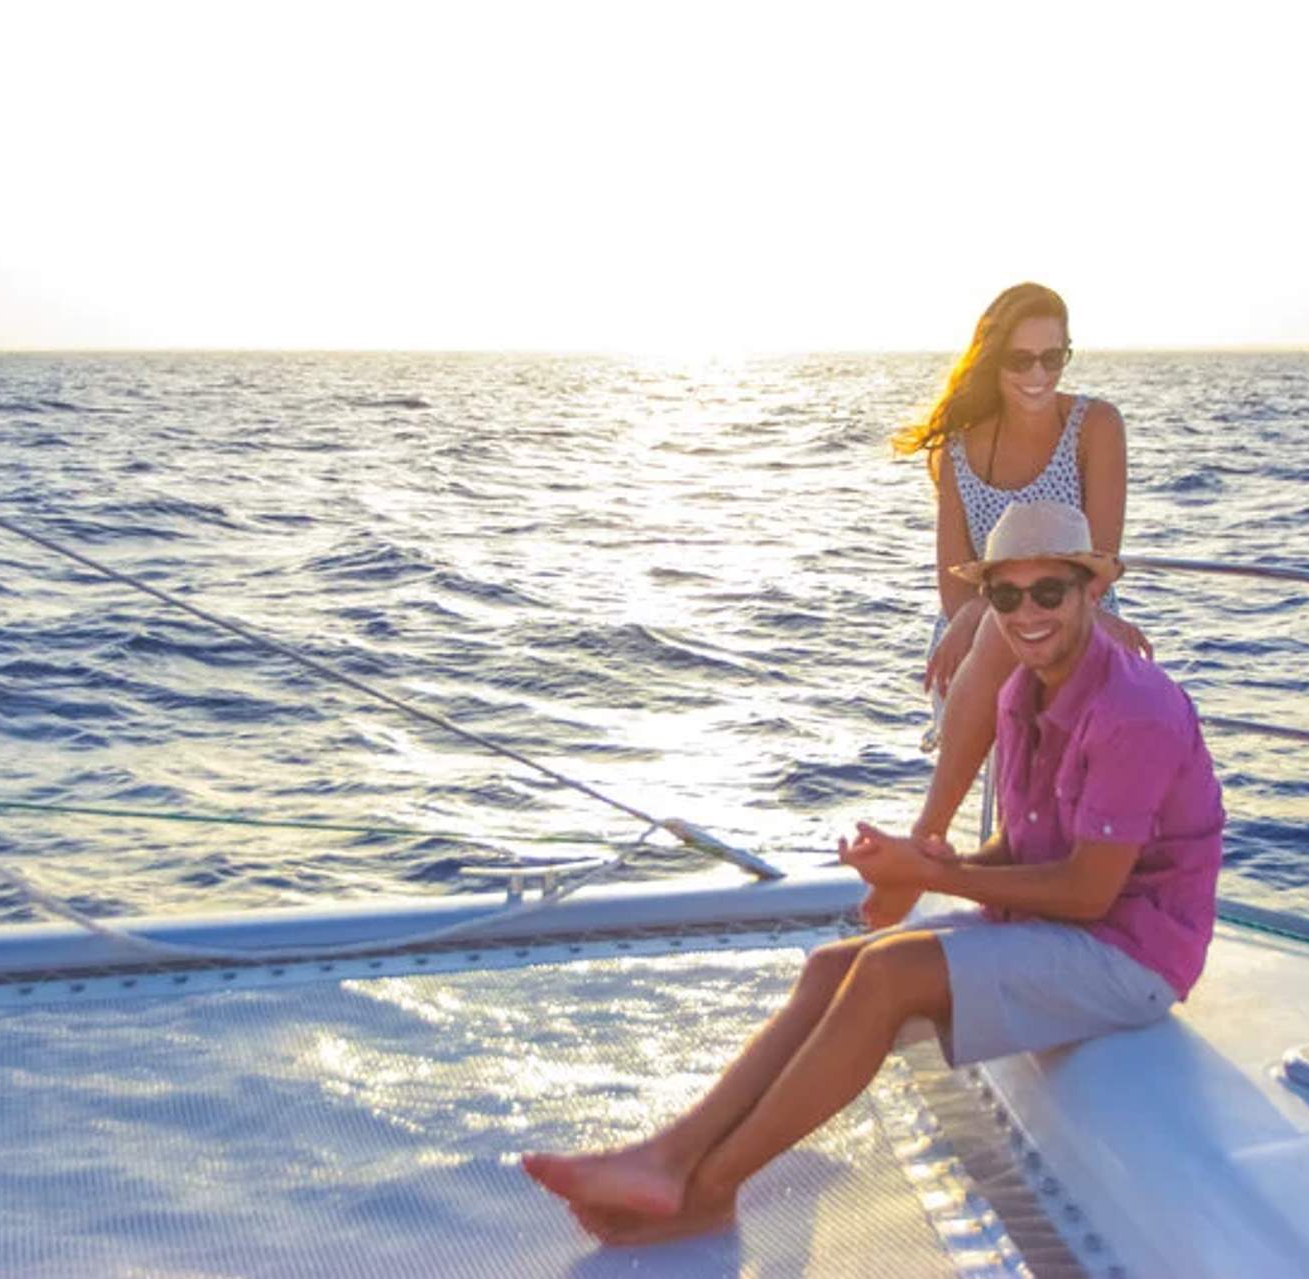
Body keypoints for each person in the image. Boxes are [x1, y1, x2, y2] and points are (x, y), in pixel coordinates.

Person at [521, 502, 1225, 1246]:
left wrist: (933, 877)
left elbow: (1089, 891)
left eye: (1048, 591)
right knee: (833, 966)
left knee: (889, 975)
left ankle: (708, 1188)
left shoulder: (1134, 710)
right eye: (1005, 595)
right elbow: (1025, 848)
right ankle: (668, 1156)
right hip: (1067, 926)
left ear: (1089, 592)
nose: (1027, 613)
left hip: (1134, 954)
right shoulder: (1022, 690)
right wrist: (915, 862)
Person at [897, 283, 1147, 854]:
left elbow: (1100, 565)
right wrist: (983, 612)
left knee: (1008, 632)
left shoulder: (1094, 426)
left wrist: (987, 609)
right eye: (1020, 359)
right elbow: (953, 584)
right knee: (1003, 633)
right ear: (993, 359)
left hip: (1077, 617)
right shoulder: (957, 450)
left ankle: (929, 833)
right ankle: (999, 852)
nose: (1038, 374)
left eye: (1052, 357)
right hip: (985, 627)